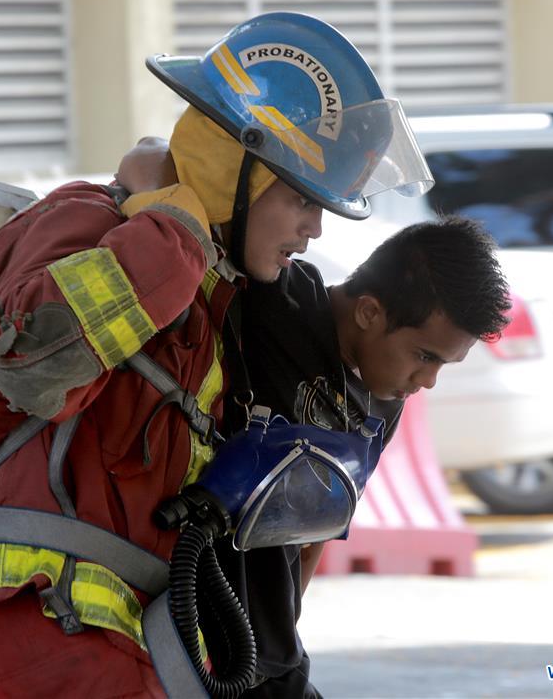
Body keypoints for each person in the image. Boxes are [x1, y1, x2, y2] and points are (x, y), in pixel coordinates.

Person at [0, 12, 431, 698]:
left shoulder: (210, 294)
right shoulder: (96, 221)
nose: (314, 228)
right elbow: (32, 363)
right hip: (40, 611)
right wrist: (176, 227)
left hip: (120, 632)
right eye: (300, 198)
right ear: (238, 171)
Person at [119, 135, 511, 696]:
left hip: (271, 662)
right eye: (424, 356)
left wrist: (283, 631)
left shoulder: (382, 406)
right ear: (371, 312)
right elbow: (148, 158)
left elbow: (311, 536)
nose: (426, 382)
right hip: (188, 646)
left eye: (442, 366)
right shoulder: (276, 300)